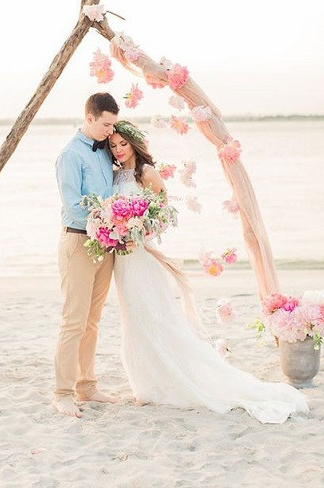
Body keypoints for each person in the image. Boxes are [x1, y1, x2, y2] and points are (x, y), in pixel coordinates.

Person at [109, 120, 309, 424]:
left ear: (134, 144)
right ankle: (147, 385)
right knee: (132, 317)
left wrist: (139, 230)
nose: (119, 150)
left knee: (153, 314)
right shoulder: (114, 174)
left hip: (141, 255)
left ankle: (168, 381)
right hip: (122, 258)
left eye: (123, 144)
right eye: (113, 145)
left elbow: (162, 217)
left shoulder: (147, 173)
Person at [53, 92, 119, 417]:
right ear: (90, 117)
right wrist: (110, 217)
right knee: (73, 321)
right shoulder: (69, 155)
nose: (110, 131)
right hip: (78, 242)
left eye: (113, 125)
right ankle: (63, 393)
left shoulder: (107, 152)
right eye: (106, 124)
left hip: (106, 246)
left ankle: (87, 386)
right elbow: (73, 206)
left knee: (92, 321)